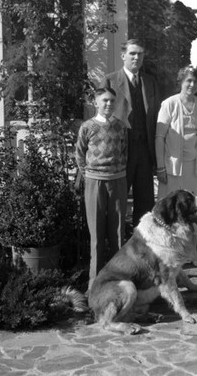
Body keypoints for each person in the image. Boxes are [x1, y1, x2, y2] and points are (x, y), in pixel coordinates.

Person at [100, 38, 160, 227]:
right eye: (132, 53)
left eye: (140, 54)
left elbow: (157, 116)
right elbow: (102, 117)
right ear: (123, 56)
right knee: (118, 200)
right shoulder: (110, 80)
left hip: (145, 151)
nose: (136, 57)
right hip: (120, 151)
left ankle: (142, 245)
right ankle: (117, 247)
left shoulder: (150, 82)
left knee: (145, 203)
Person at [75, 88, 128, 290]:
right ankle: (94, 286)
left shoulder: (121, 127)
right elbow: (80, 154)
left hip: (118, 182)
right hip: (94, 182)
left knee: (117, 234)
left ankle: (119, 282)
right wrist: (89, 174)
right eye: (104, 100)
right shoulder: (87, 127)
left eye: (112, 101)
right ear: (95, 102)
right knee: (96, 236)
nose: (109, 104)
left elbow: (125, 153)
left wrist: (119, 174)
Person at [155, 65, 197, 234]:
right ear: (181, 82)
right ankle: (172, 250)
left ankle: (193, 251)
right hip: (174, 167)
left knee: (196, 208)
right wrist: (160, 167)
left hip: (195, 167)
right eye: (189, 81)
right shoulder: (169, 104)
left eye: (196, 82)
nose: (192, 85)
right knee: (174, 209)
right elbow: (159, 137)